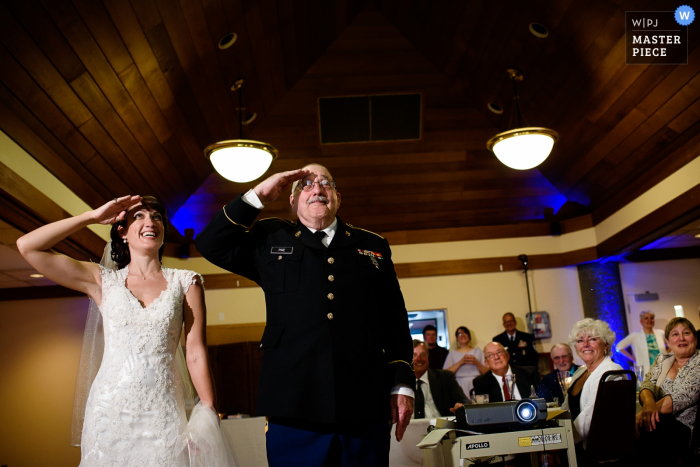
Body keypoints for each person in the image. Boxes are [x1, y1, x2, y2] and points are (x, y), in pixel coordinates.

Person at [195, 165, 415, 467]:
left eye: (326, 183)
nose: (317, 189)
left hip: (364, 403)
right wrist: (258, 195)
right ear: (292, 199)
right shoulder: (269, 237)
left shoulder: (372, 245)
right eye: (307, 184)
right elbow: (210, 243)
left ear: (338, 196)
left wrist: (402, 384)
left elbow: (394, 319)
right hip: (294, 405)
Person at [16, 196, 234, 466]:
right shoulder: (102, 281)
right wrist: (92, 217)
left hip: (162, 411)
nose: (150, 222)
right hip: (110, 413)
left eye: (156, 216)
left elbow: (195, 352)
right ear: (122, 231)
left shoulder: (186, 282)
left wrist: (208, 414)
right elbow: (28, 247)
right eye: (139, 216)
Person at [635, 318, 700, 465]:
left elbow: (681, 397)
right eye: (675, 334)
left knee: (646, 431)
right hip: (659, 424)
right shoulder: (662, 359)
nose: (681, 338)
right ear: (668, 342)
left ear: (695, 338)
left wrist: (642, 414)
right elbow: (646, 386)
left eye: (686, 333)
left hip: (686, 430)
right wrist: (648, 405)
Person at [561, 318, 622, 457]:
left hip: (600, 453)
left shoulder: (612, 372)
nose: (586, 345)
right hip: (576, 446)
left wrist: (561, 441)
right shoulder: (579, 373)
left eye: (592, 339)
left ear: (605, 344)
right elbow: (565, 409)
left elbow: (589, 419)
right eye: (580, 341)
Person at [412, 341, 469, 419]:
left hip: (441, 427)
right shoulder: (398, 383)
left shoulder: (445, 377)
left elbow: (465, 402)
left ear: (428, 357)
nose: (418, 359)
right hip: (409, 428)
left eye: (423, 354)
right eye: (414, 355)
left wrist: (460, 407)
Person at [472, 342, 538, 402]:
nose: (496, 357)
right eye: (490, 355)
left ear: (507, 355)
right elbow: (482, 411)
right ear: (486, 363)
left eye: (499, 352)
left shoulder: (529, 373)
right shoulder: (480, 383)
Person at [615, 310, 666, 375]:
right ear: (641, 321)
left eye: (651, 318)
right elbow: (619, 347)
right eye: (646, 318)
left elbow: (670, 344)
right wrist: (635, 360)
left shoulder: (661, 333)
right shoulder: (635, 335)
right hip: (646, 371)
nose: (649, 320)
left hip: (662, 370)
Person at [442, 326, 488, 398]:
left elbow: (487, 371)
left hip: (477, 383)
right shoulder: (452, 353)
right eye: (460, 334)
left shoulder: (477, 351)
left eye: (465, 333)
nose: (462, 336)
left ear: (469, 336)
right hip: (460, 384)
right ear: (457, 338)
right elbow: (445, 374)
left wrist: (476, 363)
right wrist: (460, 362)